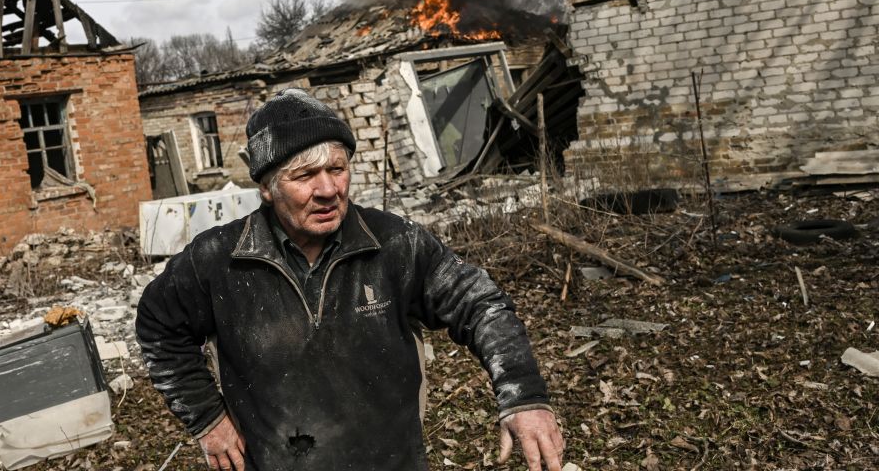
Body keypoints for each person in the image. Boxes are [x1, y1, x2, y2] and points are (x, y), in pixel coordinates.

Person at [136, 88, 564, 471]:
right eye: (304, 176)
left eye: (337, 169)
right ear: (266, 188)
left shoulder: (396, 244)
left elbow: (481, 305)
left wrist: (523, 396)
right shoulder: (218, 259)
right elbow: (158, 325)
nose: (328, 189)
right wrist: (208, 419)